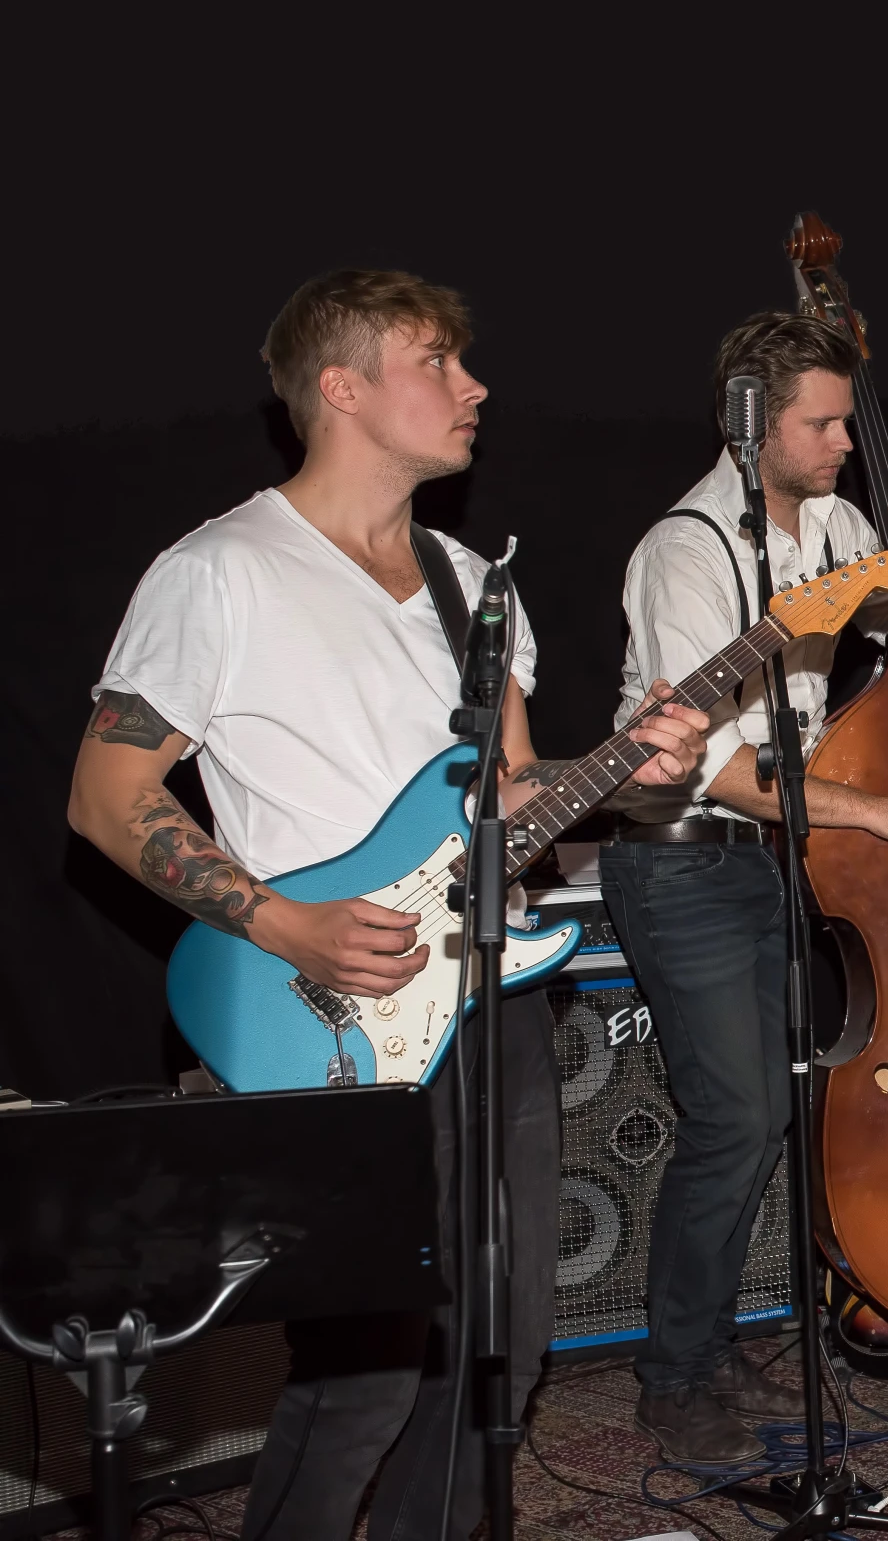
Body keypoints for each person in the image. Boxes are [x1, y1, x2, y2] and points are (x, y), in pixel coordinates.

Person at [66, 270, 709, 1539]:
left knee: (500, 1355)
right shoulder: (221, 571)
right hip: (329, 1006)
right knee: (368, 1368)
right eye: (439, 362)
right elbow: (105, 794)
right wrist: (278, 919)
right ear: (342, 388)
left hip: (487, 995)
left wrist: (634, 769)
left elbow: (512, 793)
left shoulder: (476, 579)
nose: (475, 388)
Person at [603, 310, 888, 1463]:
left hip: (780, 852)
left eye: (845, 421)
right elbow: (711, 758)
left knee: (802, 1100)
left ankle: (750, 1325)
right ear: (751, 420)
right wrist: (880, 810)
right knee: (738, 1116)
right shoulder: (687, 549)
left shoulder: (830, 520)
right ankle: (675, 1374)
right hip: (686, 859)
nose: (843, 444)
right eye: (821, 424)